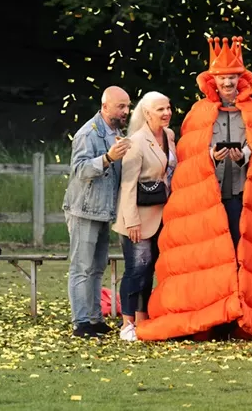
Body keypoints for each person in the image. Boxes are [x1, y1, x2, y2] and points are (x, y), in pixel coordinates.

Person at [135, 36, 252, 341]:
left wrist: (245, 155)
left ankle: (243, 317)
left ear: (240, 79)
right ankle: (212, 320)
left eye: (232, 77)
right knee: (209, 261)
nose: (228, 83)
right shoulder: (198, 113)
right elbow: (188, 153)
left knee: (243, 258)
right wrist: (210, 155)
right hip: (209, 200)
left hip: (244, 198)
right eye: (222, 78)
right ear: (213, 81)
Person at [62, 86, 132, 338]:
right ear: (105, 107)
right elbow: (80, 171)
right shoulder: (87, 134)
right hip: (84, 210)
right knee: (81, 266)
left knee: (98, 266)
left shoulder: (117, 132)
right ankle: (80, 322)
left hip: (104, 211)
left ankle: (95, 318)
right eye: (121, 106)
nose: (126, 111)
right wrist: (107, 158)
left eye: (127, 106)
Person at [112, 91, 177, 341]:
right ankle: (127, 322)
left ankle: (143, 319)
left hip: (163, 213)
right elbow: (128, 184)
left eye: (168, 108)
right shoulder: (136, 142)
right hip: (138, 216)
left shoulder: (169, 136)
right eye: (160, 109)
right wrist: (132, 222)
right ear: (147, 113)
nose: (166, 113)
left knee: (151, 268)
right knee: (136, 269)